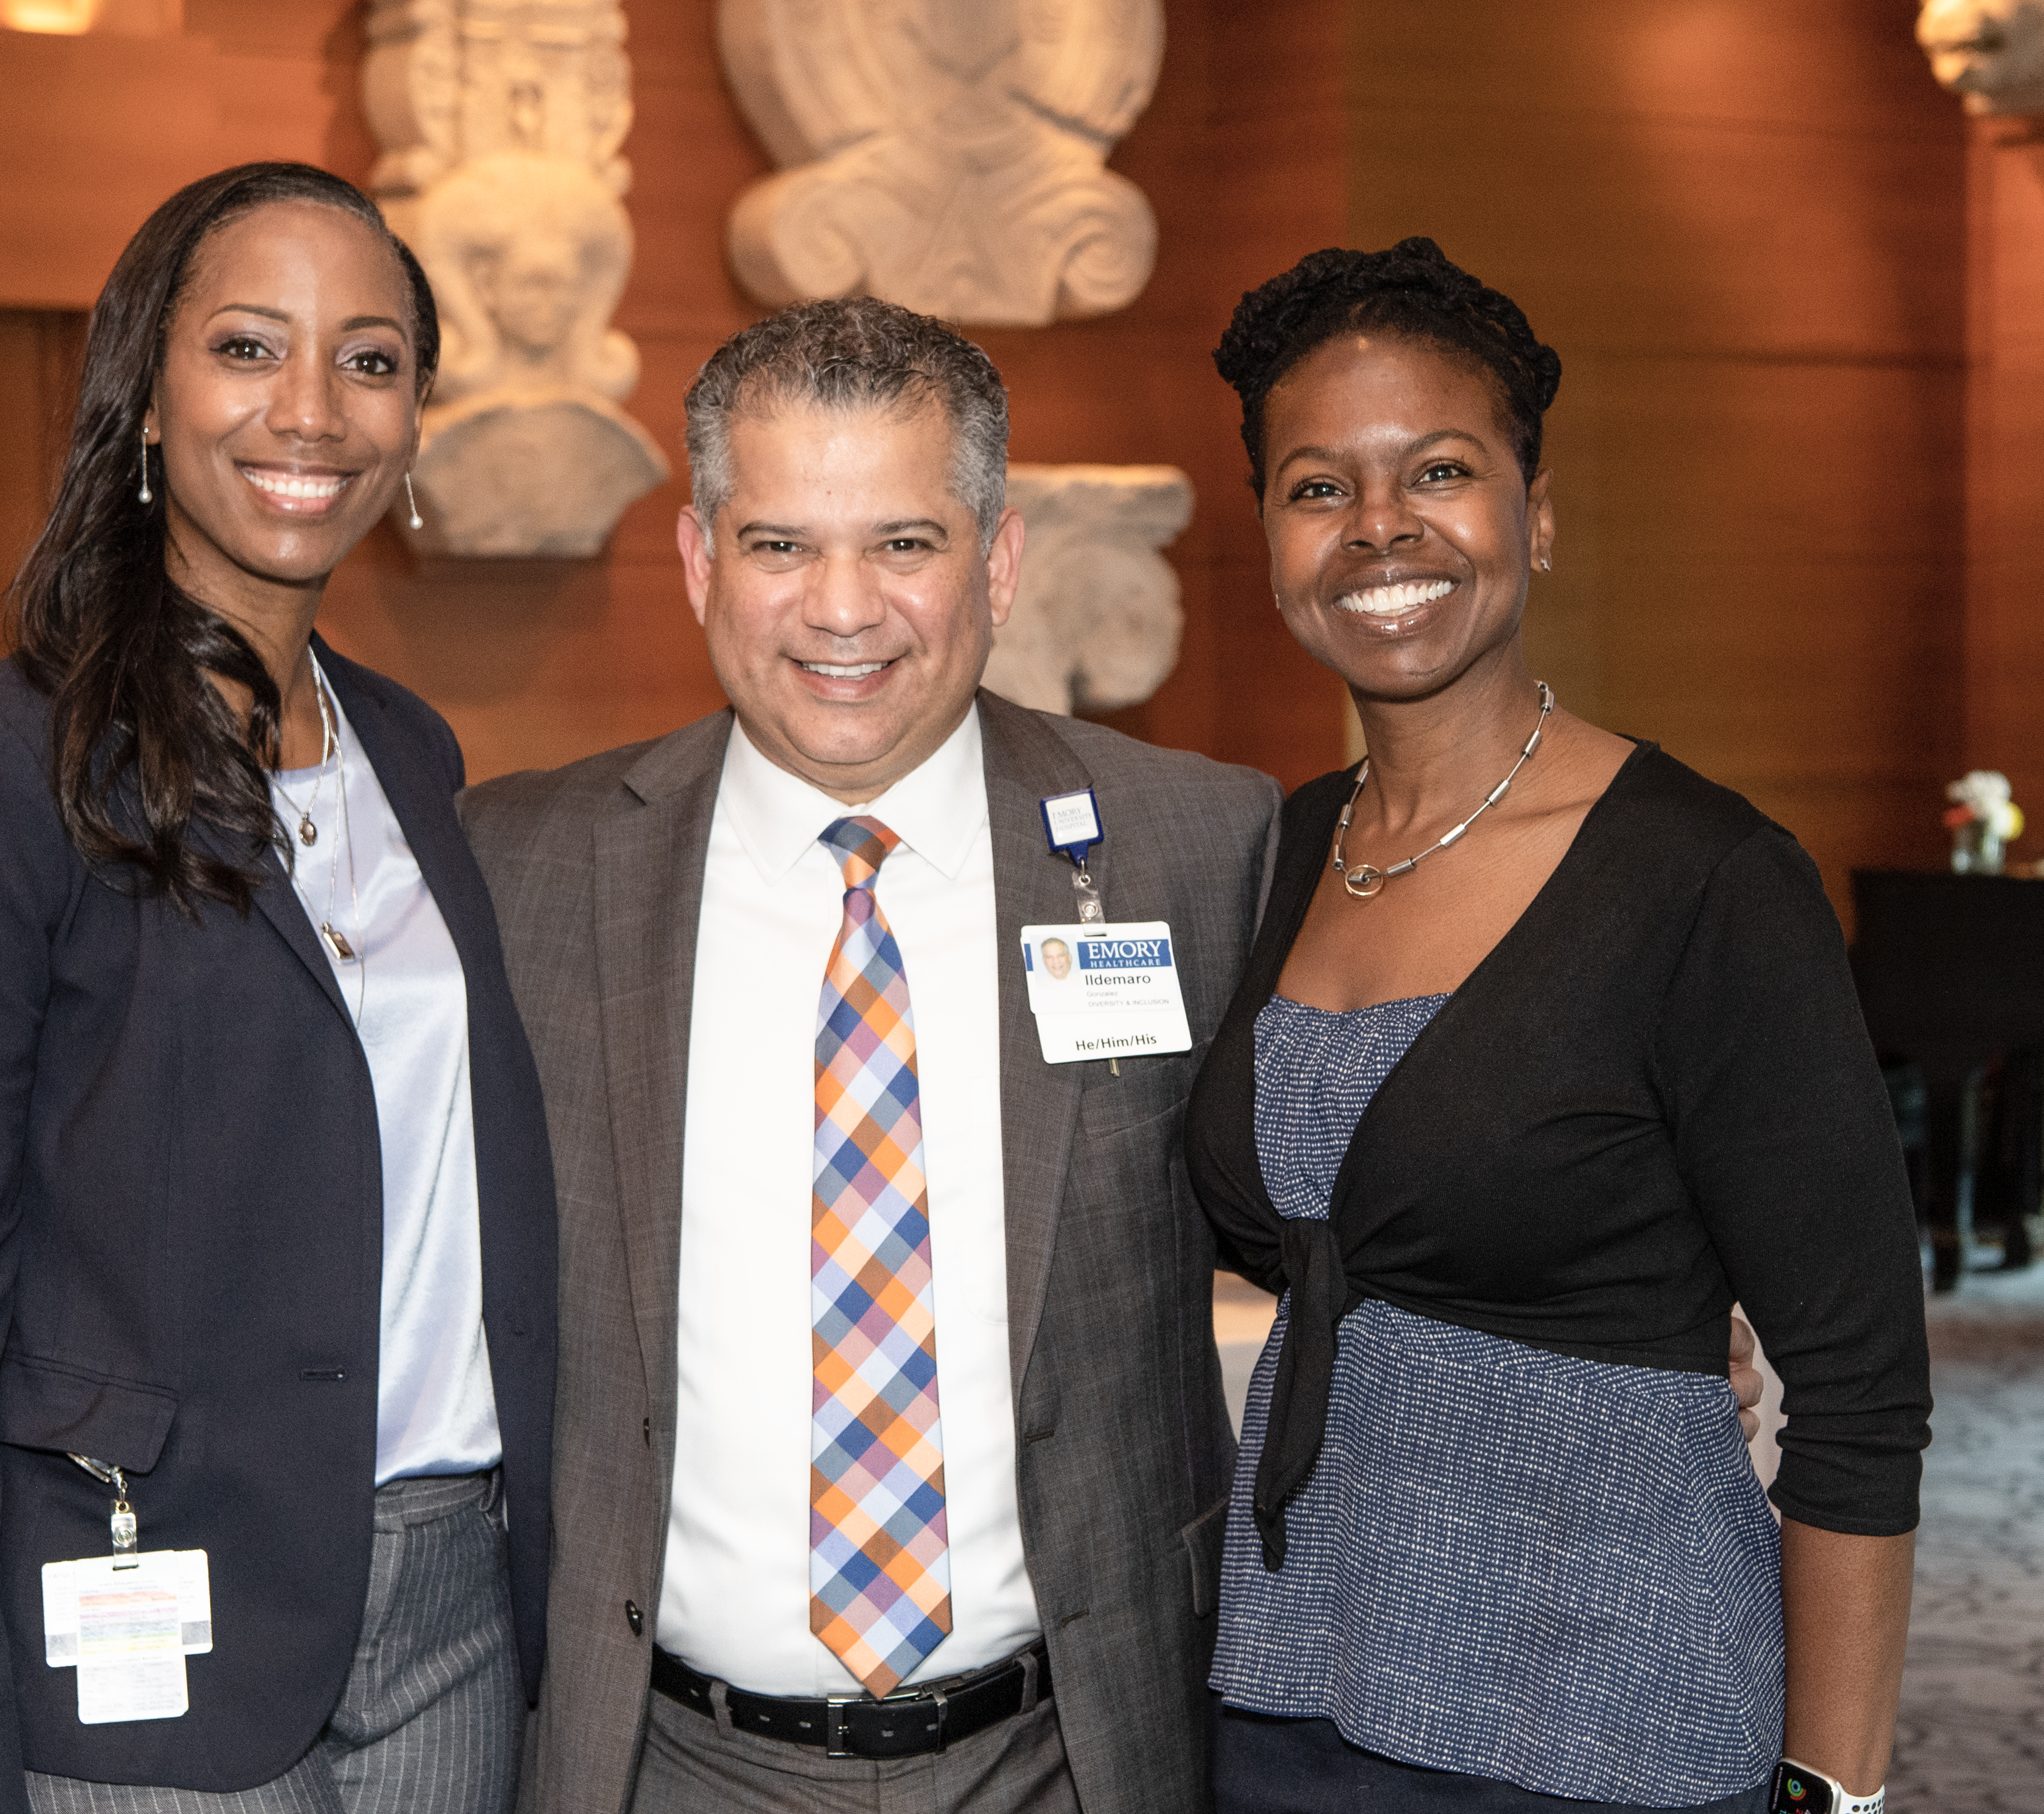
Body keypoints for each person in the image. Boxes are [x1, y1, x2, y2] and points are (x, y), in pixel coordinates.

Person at [0, 162, 558, 1813]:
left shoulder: (413, 755)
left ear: (418, 417)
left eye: (369, 360)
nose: (312, 411)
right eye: (247, 348)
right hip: (144, 1593)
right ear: (145, 394)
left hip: (450, 1609)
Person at [459, 299, 1283, 1814]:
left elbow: (1346, 1207)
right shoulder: (523, 870)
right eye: (779, 545)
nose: (843, 609)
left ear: (1002, 561)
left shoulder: (1198, 843)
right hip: (666, 1762)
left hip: (1073, 1754)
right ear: (702, 562)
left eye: (905, 543)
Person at [1188, 239, 1932, 1814]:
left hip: (1604, 1723)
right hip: (1282, 1688)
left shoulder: (1704, 880)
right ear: (1268, 542)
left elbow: (1862, 1392)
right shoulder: (1279, 851)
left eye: (1439, 471)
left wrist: (1836, 1793)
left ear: (1535, 514)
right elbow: (1339, 1229)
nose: (1380, 526)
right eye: (1319, 487)